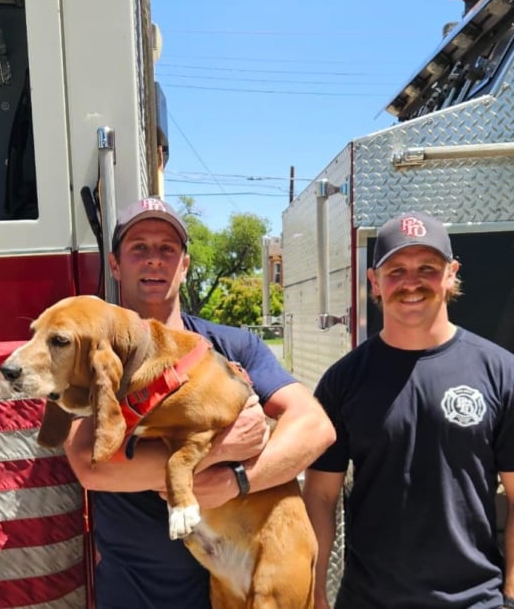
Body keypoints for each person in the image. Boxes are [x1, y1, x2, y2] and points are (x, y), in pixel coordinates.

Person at [62, 197, 335, 609]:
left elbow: (315, 427)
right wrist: (217, 453)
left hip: (232, 593)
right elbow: (90, 464)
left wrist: (237, 479)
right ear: (115, 265)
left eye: (167, 249)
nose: (154, 260)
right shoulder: (94, 350)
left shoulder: (233, 345)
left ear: (185, 266)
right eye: (139, 248)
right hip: (136, 596)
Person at [302, 212, 514, 609]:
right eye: (396, 270)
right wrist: (313, 593)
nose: (411, 283)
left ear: (451, 274)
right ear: (374, 281)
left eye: (427, 268)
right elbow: (319, 495)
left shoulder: (504, 374)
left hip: (476, 602)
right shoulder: (343, 381)